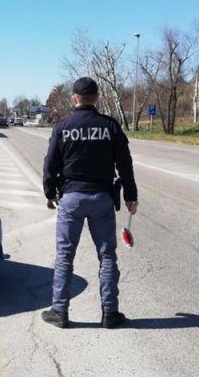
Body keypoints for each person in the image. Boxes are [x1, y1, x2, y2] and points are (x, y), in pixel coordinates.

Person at [41, 77, 138, 329]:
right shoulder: (110, 126)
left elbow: (50, 163)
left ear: (74, 99)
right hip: (102, 199)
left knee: (64, 256)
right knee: (107, 256)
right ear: (97, 97)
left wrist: (49, 193)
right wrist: (130, 196)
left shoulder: (63, 127)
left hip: (71, 198)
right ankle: (110, 313)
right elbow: (125, 164)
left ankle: (59, 312)